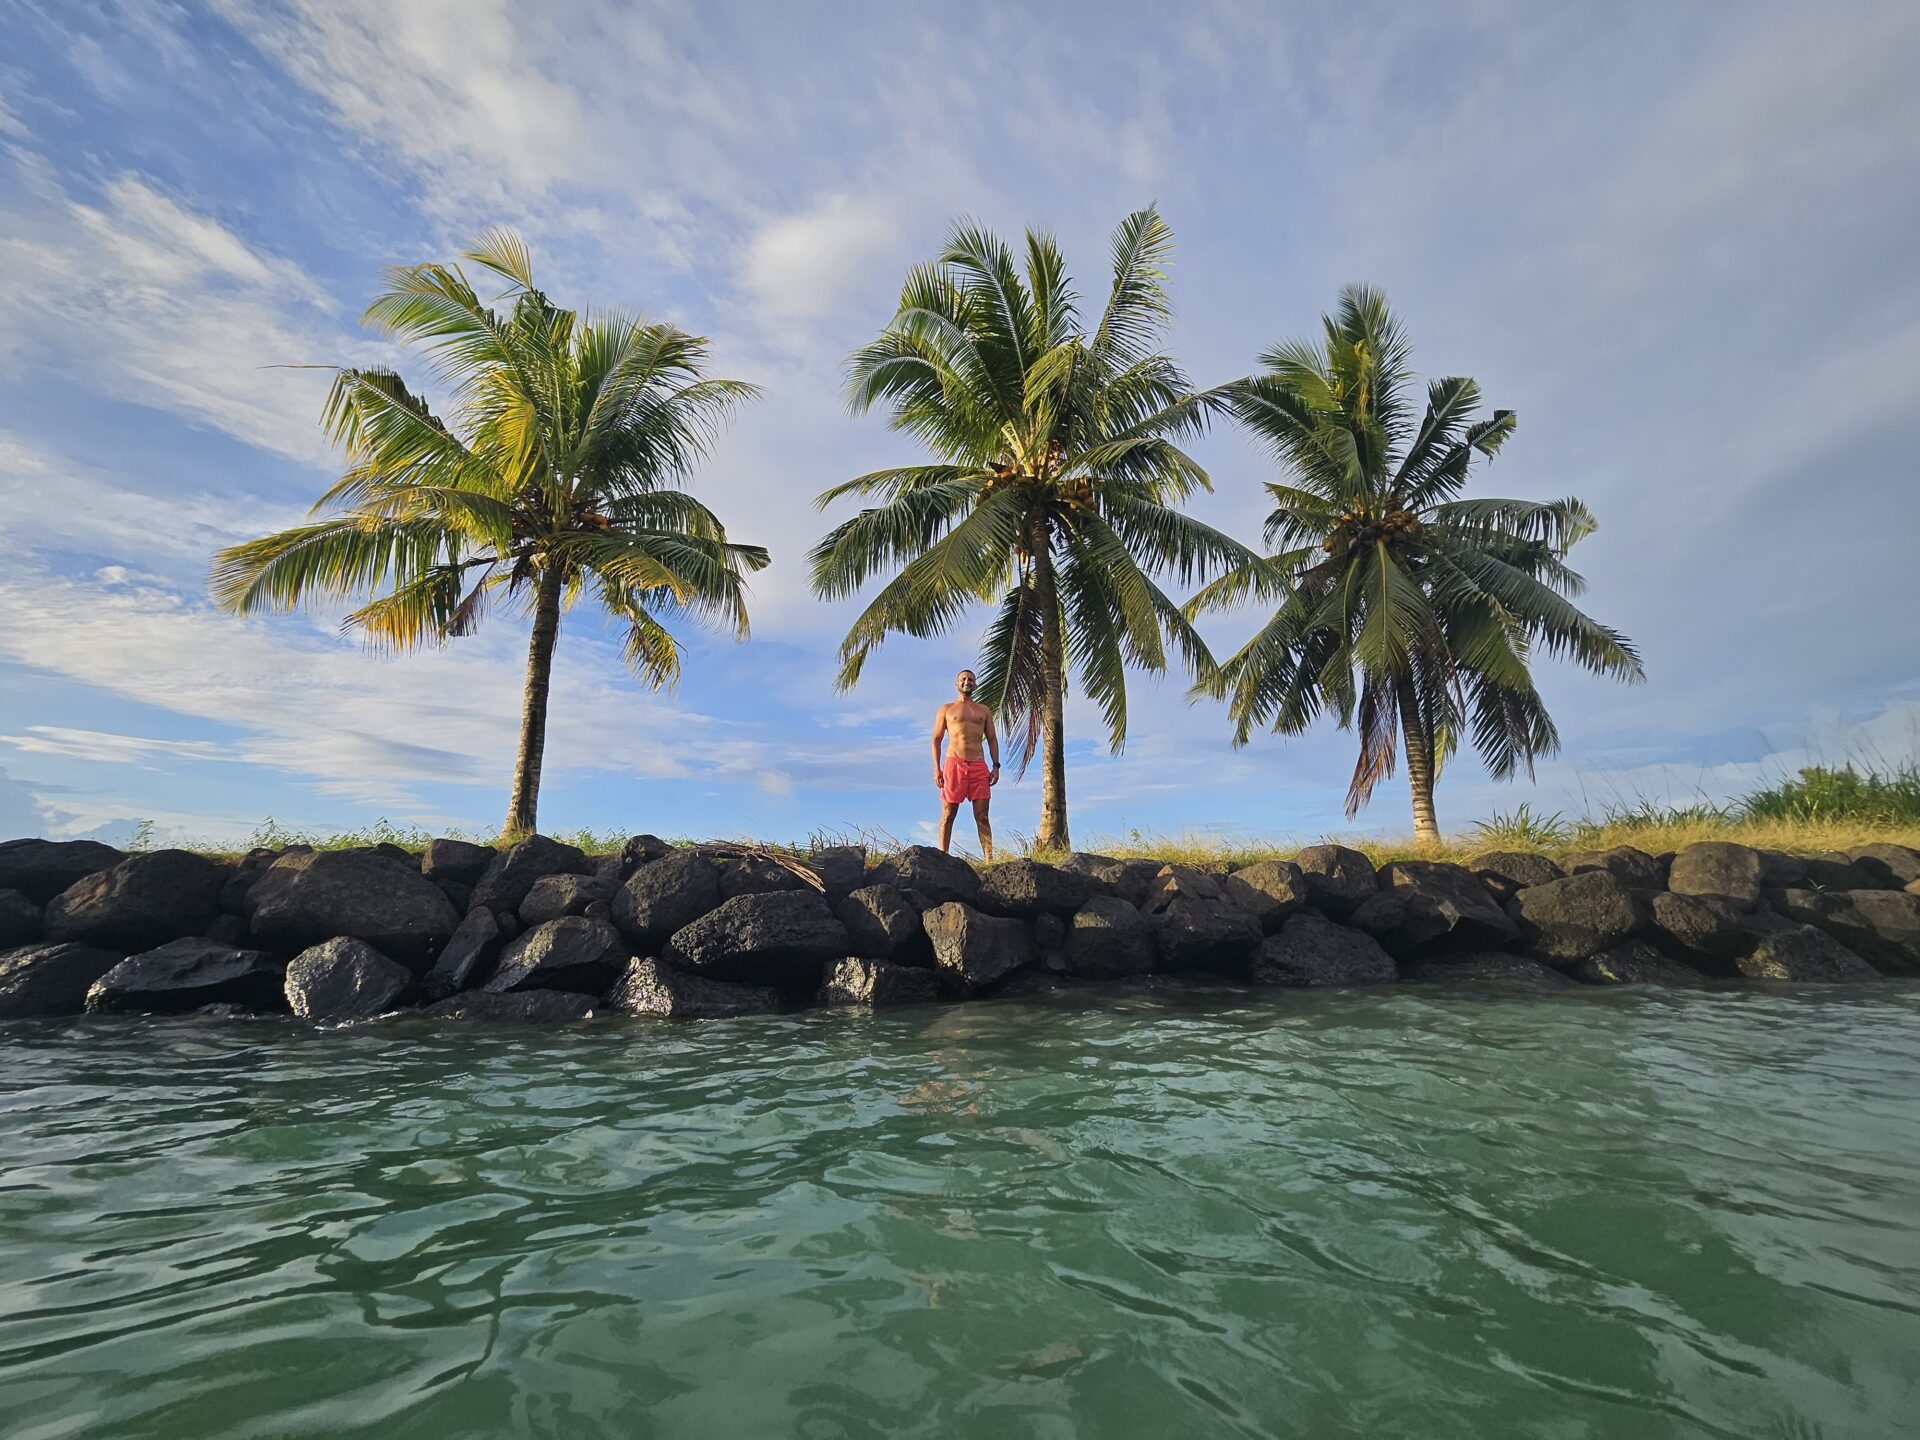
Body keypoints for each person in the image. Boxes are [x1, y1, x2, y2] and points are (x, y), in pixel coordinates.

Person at [931, 669, 1000, 861]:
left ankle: (989, 859)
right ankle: (943, 857)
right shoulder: (946, 709)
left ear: (975, 685)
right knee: (948, 812)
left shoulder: (983, 710)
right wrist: (937, 768)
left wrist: (995, 766)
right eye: (963, 679)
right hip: (954, 764)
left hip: (978, 765)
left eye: (970, 679)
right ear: (956, 683)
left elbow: (993, 739)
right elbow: (936, 740)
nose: (966, 682)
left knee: (982, 815)